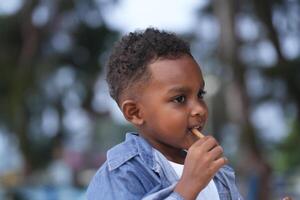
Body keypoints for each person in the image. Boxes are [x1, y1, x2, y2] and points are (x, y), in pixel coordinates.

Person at [87, 28, 243, 200]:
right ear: (135, 112)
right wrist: (187, 187)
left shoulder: (216, 170)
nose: (199, 108)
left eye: (200, 94)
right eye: (180, 99)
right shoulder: (123, 174)